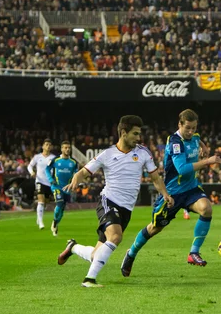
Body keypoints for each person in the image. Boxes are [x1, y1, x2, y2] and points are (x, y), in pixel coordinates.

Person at [56, 115, 173, 288]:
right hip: (108, 201)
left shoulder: (143, 153)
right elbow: (84, 171)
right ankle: (89, 279)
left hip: (127, 209)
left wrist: (165, 194)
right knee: (116, 236)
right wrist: (76, 179)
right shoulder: (107, 154)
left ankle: (73, 247)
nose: (138, 138)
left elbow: (155, 178)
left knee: (97, 255)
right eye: (135, 133)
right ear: (123, 133)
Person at [121, 109, 221, 278]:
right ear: (180, 125)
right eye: (188, 128)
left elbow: (198, 138)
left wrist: (203, 146)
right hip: (172, 194)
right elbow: (182, 169)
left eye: (194, 128)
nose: (191, 132)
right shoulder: (175, 142)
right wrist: (208, 161)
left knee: (206, 209)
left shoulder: (195, 136)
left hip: (191, 189)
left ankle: (193, 253)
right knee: (155, 228)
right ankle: (131, 253)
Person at [44, 141, 78, 236]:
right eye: (65, 147)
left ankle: (55, 223)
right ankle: (55, 222)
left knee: (62, 209)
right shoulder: (55, 160)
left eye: (68, 148)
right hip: (56, 186)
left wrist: (75, 183)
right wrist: (51, 179)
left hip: (67, 188)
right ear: (61, 149)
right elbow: (47, 169)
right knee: (59, 203)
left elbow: (77, 174)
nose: (67, 149)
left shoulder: (73, 162)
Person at [28, 139, 55, 229]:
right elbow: (29, 166)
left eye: (49, 145)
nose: (48, 146)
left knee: (46, 202)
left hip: (49, 182)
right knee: (41, 200)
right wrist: (32, 172)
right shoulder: (37, 157)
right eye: (46, 144)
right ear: (43, 146)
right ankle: (40, 222)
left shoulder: (53, 158)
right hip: (39, 180)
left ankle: (39, 217)